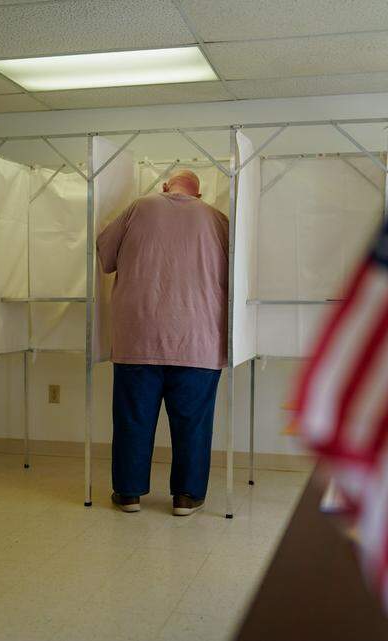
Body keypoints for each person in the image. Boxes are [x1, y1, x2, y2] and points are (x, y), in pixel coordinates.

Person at [96, 169, 228, 516]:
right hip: (198, 340)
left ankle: (128, 494)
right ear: (198, 196)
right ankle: (186, 497)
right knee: (193, 424)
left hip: (138, 336)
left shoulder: (139, 207)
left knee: (133, 419)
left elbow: (105, 257)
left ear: (165, 187)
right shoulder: (218, 220)